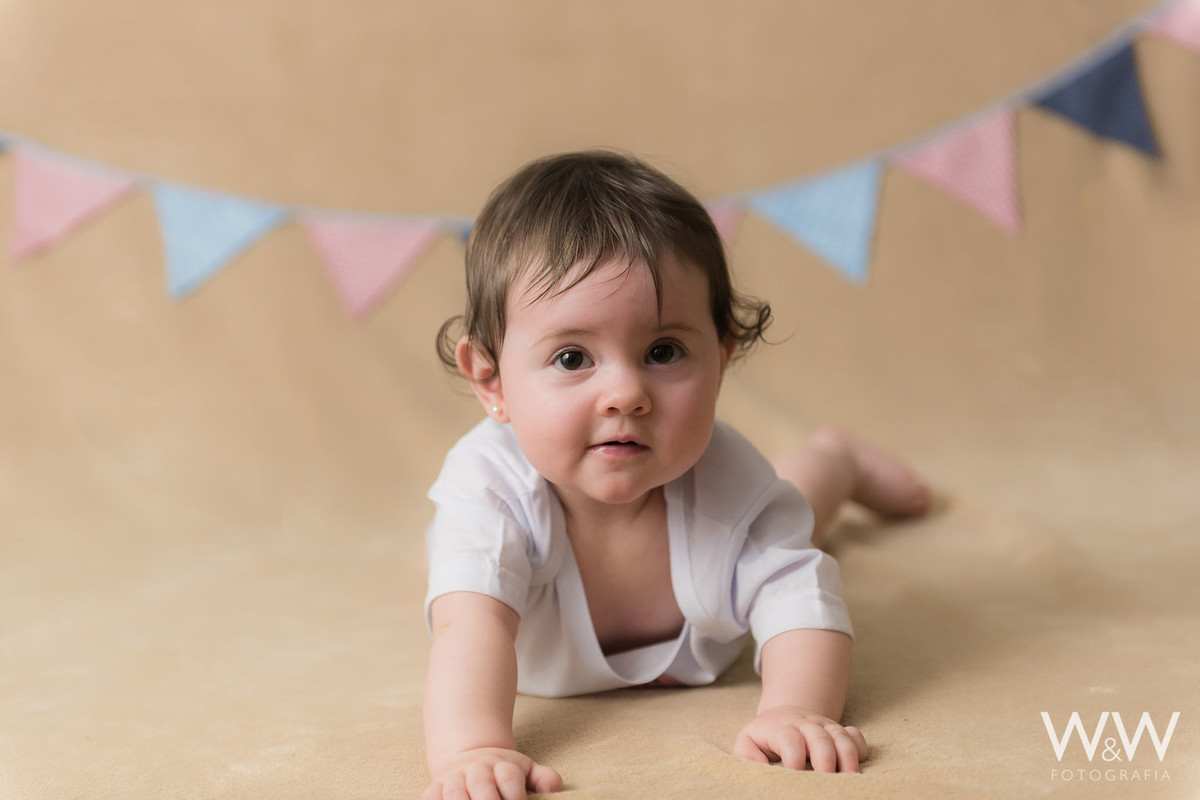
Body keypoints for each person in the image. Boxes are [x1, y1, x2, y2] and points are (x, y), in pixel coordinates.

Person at [422, 150, 932, 799]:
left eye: (663, 351)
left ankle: (838, 459)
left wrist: (794, 709)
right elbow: (474, 627)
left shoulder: (731, 484)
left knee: (797, 504)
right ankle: (436, 556)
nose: (626, 393)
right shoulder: (492, 490)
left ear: (721, 355)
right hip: (526, 619)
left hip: (711, 614)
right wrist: (473, 750)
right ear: (490, 380)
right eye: (573, 357)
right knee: (455, 573)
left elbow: (798, 598)